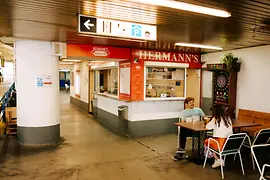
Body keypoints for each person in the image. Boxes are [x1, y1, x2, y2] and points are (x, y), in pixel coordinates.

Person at [204, 104, 233, 168]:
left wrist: (208, 122)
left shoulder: (216, 118)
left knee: (207, 141)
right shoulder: (228, 117)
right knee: (213, 141)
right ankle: (217, 159)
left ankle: (217, 159)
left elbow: (208, 127)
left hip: (220, 144)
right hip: (230, 144)